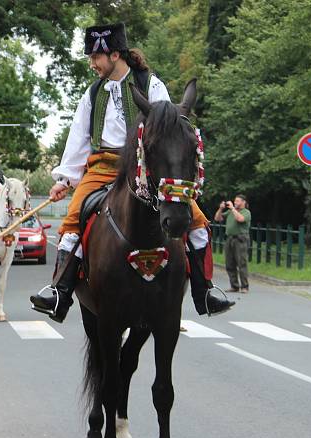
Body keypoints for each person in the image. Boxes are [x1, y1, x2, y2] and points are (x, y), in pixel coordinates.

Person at [29, 22, 232, 322]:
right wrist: (66, 180)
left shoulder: (152, 85)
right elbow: (78, 138)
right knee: (73, 220)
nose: (91, 63)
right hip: (101, 167)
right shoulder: (93, 93)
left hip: (144, 167)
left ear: (114, 55)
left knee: (197, 221)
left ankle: (204, 290)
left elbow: (167, 130)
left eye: (95, 57)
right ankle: (60, 291)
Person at [215, 194, 251, 293]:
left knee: (241, 263)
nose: (235, 203)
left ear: (243, 202)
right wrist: (221, 209)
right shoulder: (231, 212)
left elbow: (240, 219)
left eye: (238, 201)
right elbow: (218, 218)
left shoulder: (246, 212)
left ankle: (244, 286)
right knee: (229, 263)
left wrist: (232, 209)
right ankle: (234, 285)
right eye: (235, 201)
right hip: (230, 239)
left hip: (240, 239)